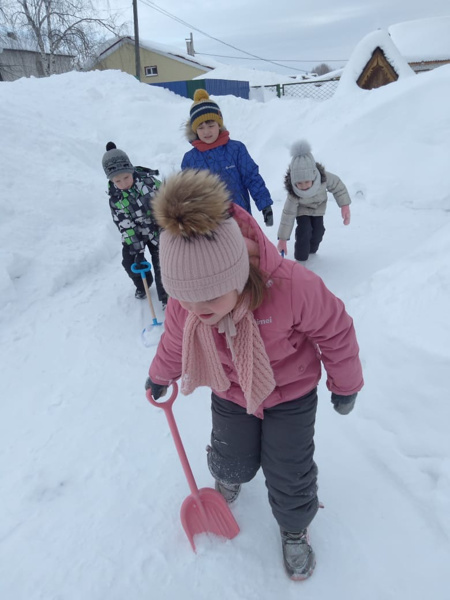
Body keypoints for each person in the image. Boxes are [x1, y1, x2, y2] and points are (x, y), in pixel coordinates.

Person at [145, 169, 364, 580]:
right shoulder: (189, 303)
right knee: (231, 458)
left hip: (291, 396)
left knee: (289, 469)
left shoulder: (291, 286)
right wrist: (161, 375)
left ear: (236, 276)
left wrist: (346, 383)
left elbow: (336, 331)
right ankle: (228, 479)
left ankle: (295, 526)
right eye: (184, 300)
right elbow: (176, 340)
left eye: (209, 298)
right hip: (229, 390)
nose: (196, 310)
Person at [181, 89, 274, 227]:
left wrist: (265, 204)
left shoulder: (236, 149)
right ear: (194, 130)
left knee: (245, 248)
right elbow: (187, 193)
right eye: (201, 127)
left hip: (240, 217)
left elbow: (252, 177)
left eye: (211, 125)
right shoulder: (190, 159)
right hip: (210, 223)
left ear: (219, 125)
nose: (206, 131)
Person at [102, 142, 168, 306]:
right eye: (118, 180)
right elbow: (125, 226)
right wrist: (137, 252)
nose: (124, 183)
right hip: (134, 235)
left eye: (126, 177)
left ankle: (167, 297)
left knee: (162, 263)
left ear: (132, 170)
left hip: (157, 231)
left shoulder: (150, 184)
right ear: (111, 180)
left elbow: (168, 201)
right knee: (130, 262)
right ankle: (143, 284)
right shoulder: (116, 199)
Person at [277, 140, 352, 261]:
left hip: (318, 208)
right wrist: (282, 239)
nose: (304, 186)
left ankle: (311, 251)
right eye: (299, 183)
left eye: (307, 182)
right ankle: (301, 259)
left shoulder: (323, 178)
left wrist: (344, 205)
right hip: (302, 210)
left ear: (313, 175)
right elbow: (288, 216)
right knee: (304, 230)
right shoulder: (294, 193)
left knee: (318, 231)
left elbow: (338, 187)